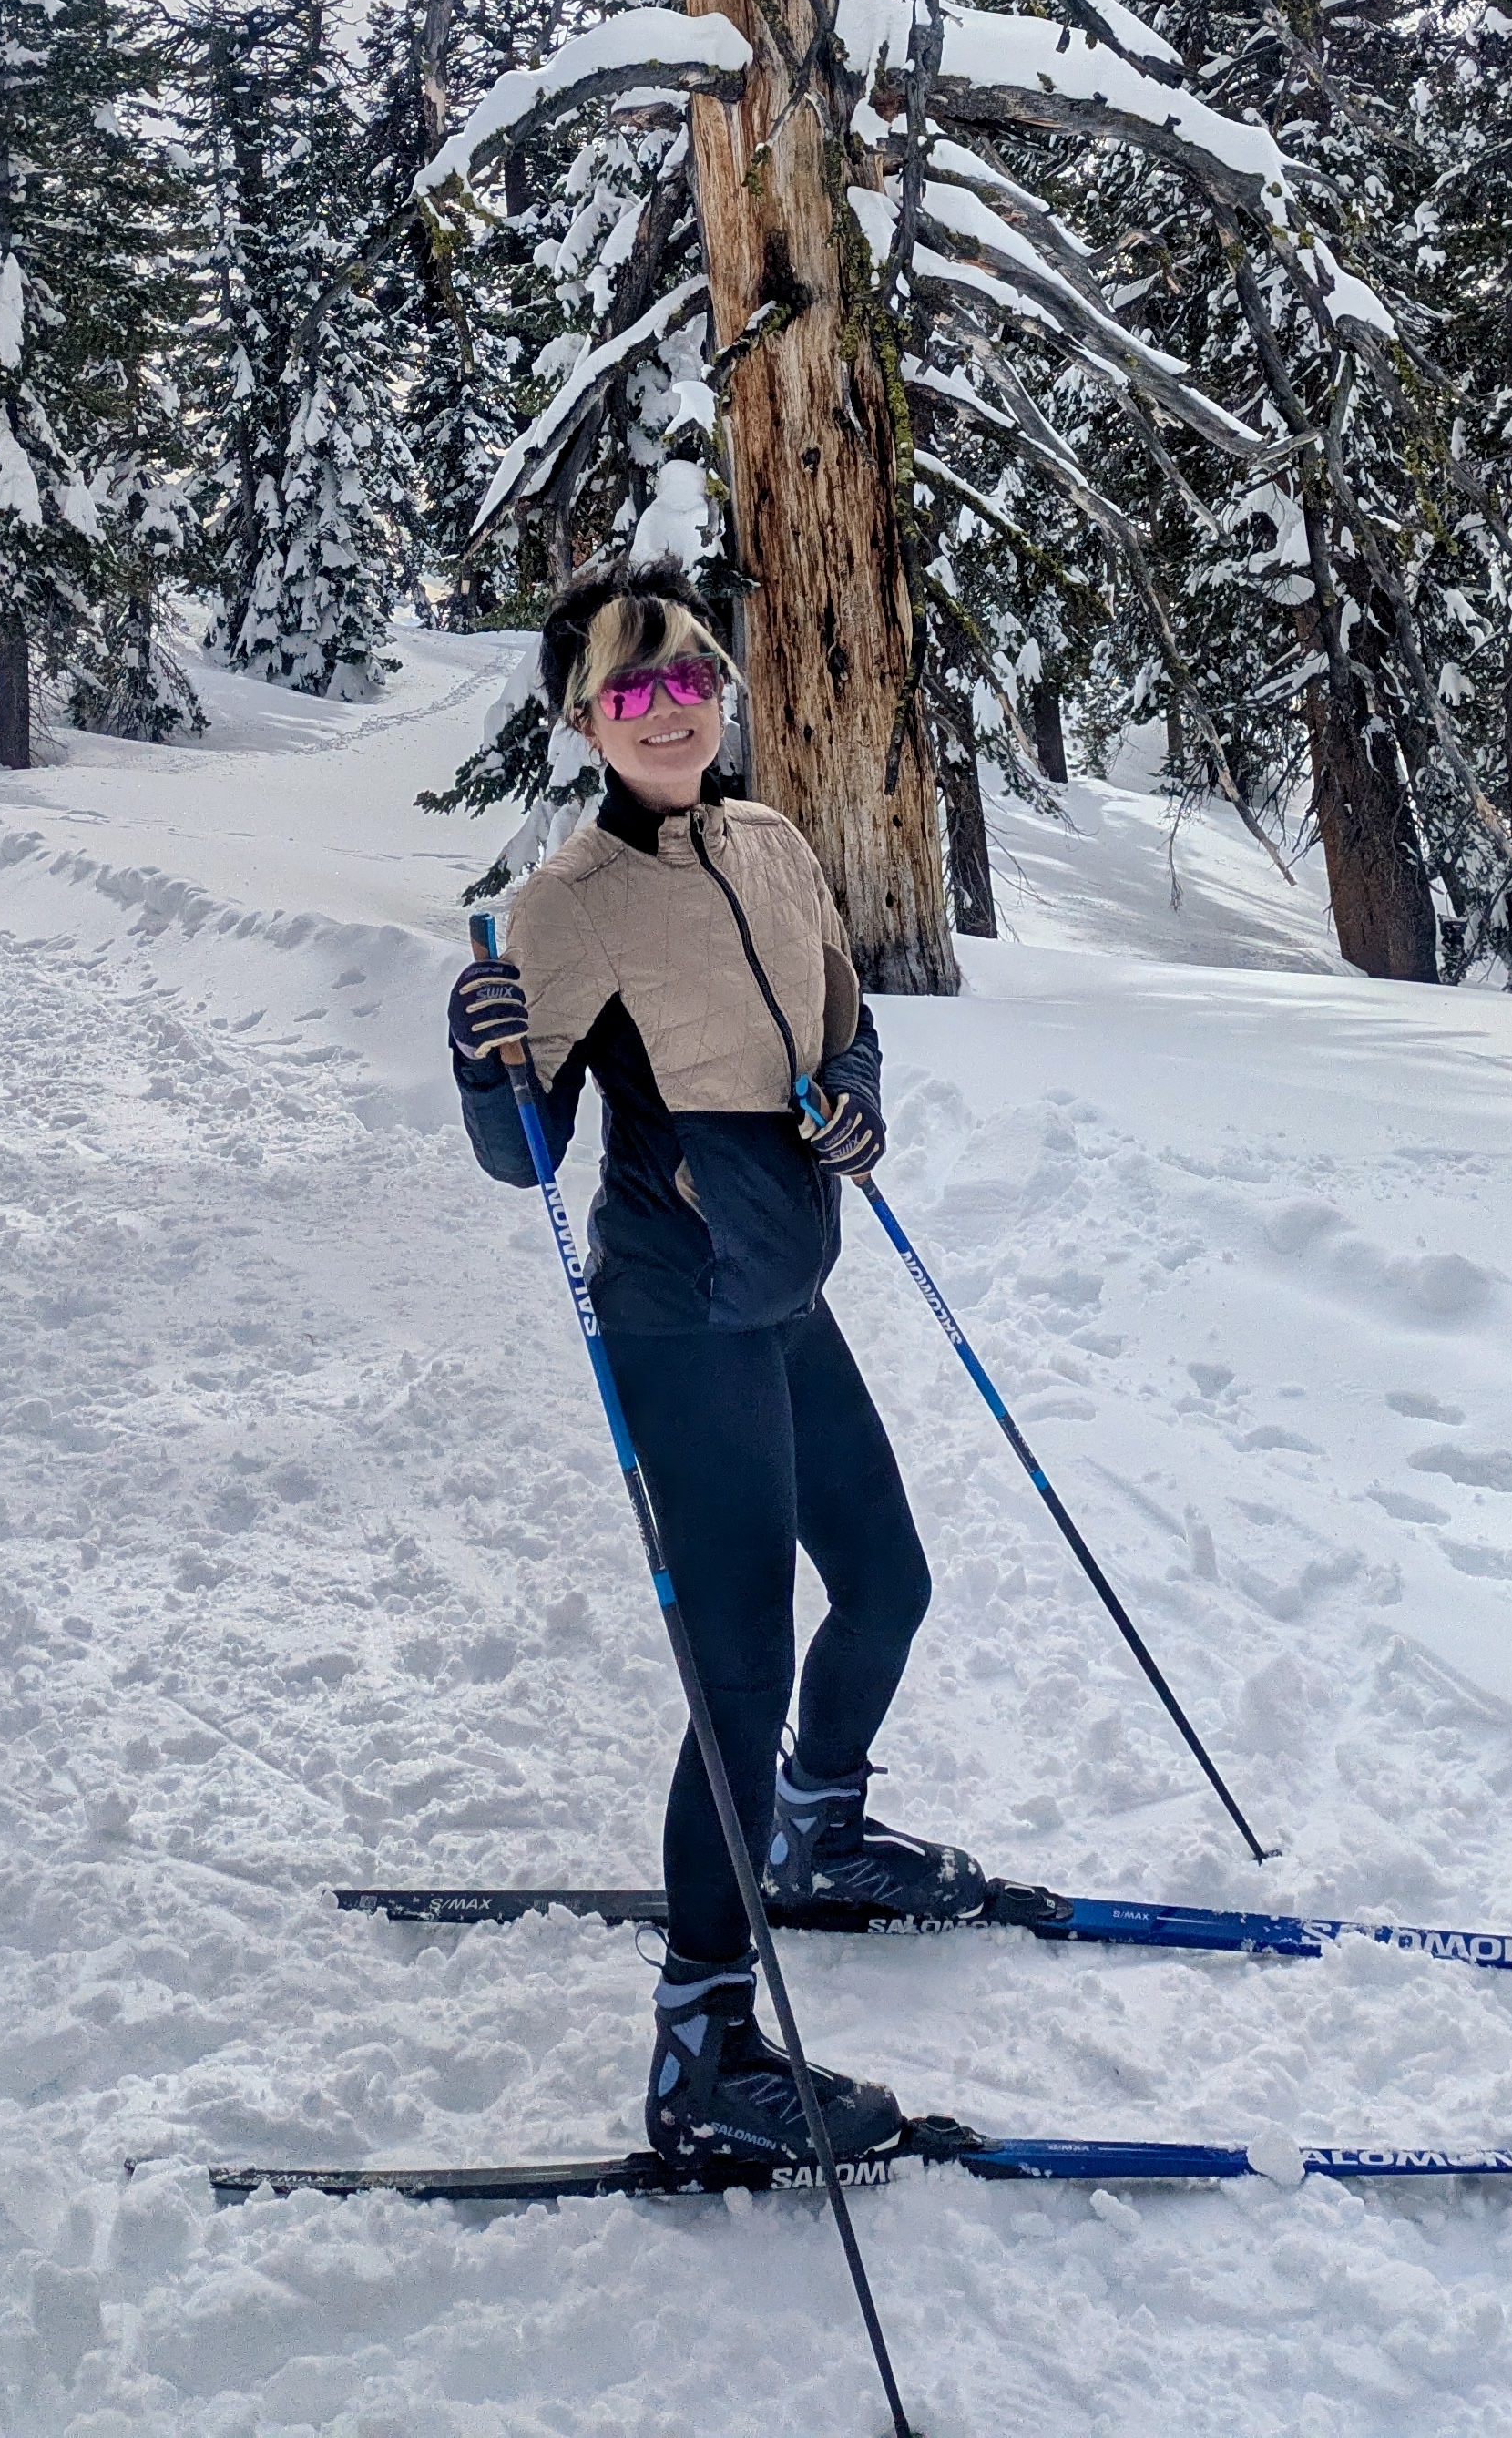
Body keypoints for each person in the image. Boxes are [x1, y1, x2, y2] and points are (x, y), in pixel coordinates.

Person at [447, 569, 984, 2169]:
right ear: (583, 721)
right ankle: (701, 2050)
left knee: (887, 1588)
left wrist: (854, 1103)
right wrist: (481, 1058)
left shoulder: (772, 842)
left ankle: (819, 1834)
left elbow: (842, 1028)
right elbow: (525, 1152)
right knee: (740, 1677)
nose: (669, 707)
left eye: (688, 674)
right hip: (682, 1319)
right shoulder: (570, 904)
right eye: (631, 689)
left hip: (789, 1290)